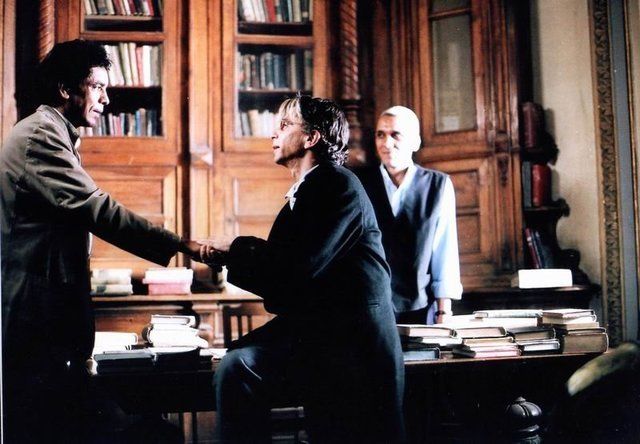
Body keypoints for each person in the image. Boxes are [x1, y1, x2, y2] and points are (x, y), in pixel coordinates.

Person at [0, 39, 202, 443]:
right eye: (98, 87)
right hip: (33, 313)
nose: (106, 99)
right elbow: (98, 209)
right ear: (65, 89)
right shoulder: (40, 135)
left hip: (45, 309)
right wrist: (184, 244)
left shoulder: (55, 132)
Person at [202, 94, 405, 443]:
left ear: (312, 138)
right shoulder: (304, 195)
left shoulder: (338, 185)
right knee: (235, 364)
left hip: (356, 354)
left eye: (284, 125)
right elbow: (285, 283)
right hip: (325, 344)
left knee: (238, 367)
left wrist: (234, 248)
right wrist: (229, 253)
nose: (273, 134)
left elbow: (294, 272)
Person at [355, 106, 463, 325]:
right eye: (380, 135)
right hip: (369, 309)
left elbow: (445, 252)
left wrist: (444, 313)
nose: (386, 143)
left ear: (415, 142)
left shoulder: (437, 185)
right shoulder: (358, 183)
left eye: (396, 135)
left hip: (420, 308)